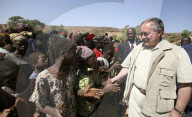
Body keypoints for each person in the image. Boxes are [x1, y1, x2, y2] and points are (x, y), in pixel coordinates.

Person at [111, 17, 192, 117]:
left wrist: (178, 110)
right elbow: (127, 67)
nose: (143, 37)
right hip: (135, 98)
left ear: (159, 32)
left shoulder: (177, 53)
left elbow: (186, 85)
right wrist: (117, 77)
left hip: (159, 106)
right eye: (141, 34)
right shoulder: (138, 49)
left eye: (146, 34)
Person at [116, 27, 141, 117]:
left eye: (131, 33)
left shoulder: (141, 45)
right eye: (128, 34)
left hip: (138, 77)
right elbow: (119, 62)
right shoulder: (122, 46)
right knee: (123, 100)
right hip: (125, 78)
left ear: (135, 34)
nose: (130, 35)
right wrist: (119, 77)